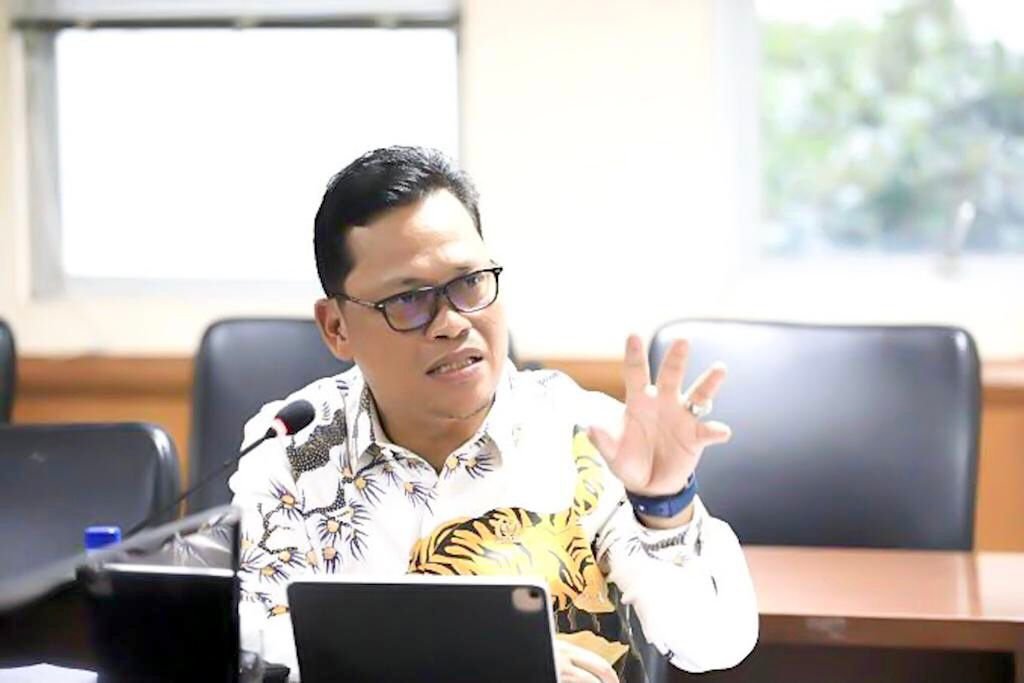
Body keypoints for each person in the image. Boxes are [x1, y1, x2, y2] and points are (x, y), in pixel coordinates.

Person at [230, 146, 757, 682]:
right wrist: (482, 661)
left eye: (469, 283)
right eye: (408, 300)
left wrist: (666, 507)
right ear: (336, 327)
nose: (452, 323)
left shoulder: (587, 434)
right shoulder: (295, 446)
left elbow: (713, 645)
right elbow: (253, 648)